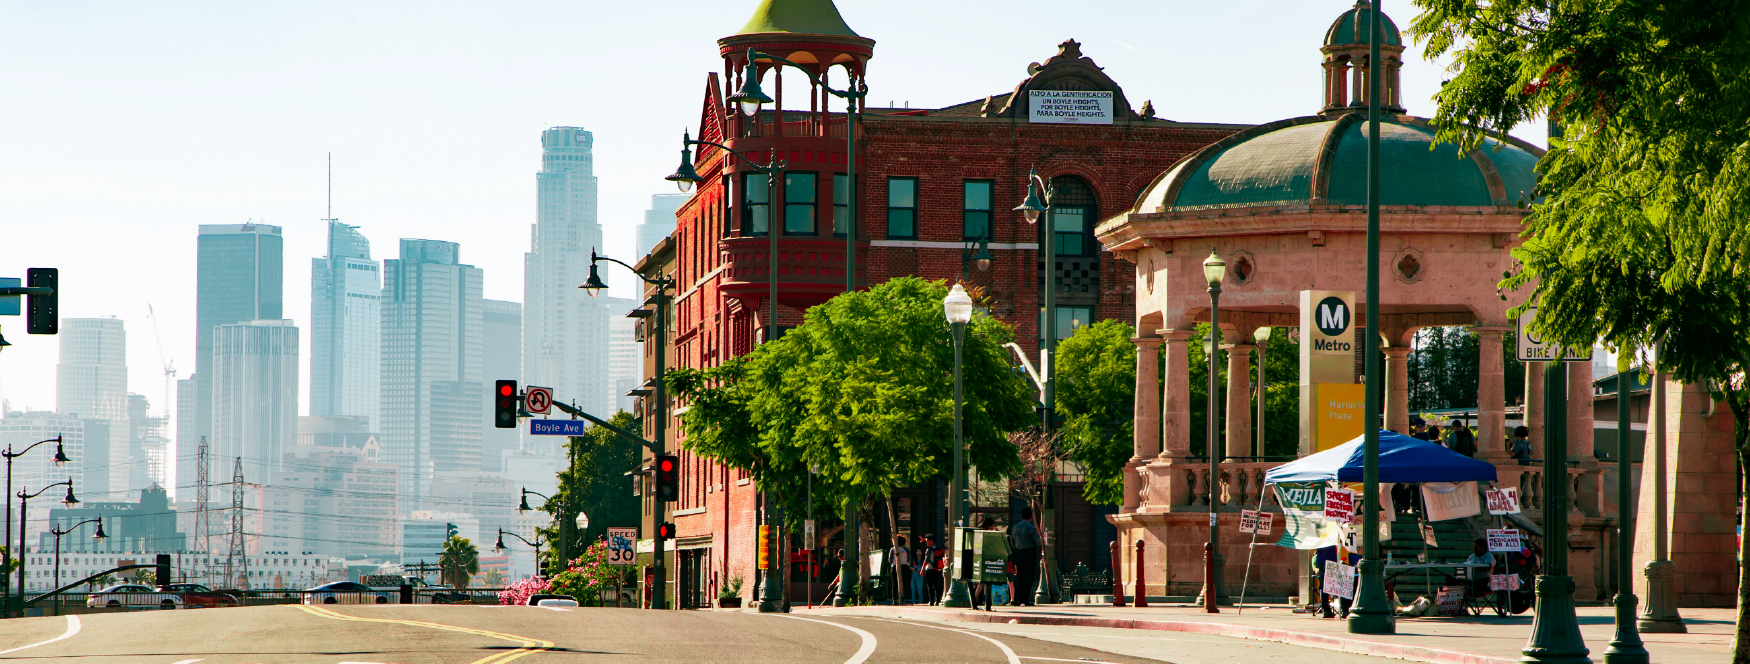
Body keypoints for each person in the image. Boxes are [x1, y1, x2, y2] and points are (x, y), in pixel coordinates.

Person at [1009, 507, 1042, 606]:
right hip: (1029, 554)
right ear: (1030, 517)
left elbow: (1012, 543)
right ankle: (1024, 599)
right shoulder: (1032, 528)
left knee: (1019, 576)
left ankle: (1016, 598)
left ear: (1021, 516)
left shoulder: (1015, 528)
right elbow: (1038, 543)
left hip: (1018, 554)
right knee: (1028, 577)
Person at [889, 535, 912, 605]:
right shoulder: (906, 549)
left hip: (895, 566)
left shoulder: (893, 549)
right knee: (903, 583)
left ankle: (894, 599)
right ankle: (902, 598)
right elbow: (909, 559)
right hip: (905, 567)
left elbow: (890, 559)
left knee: (894, 584)